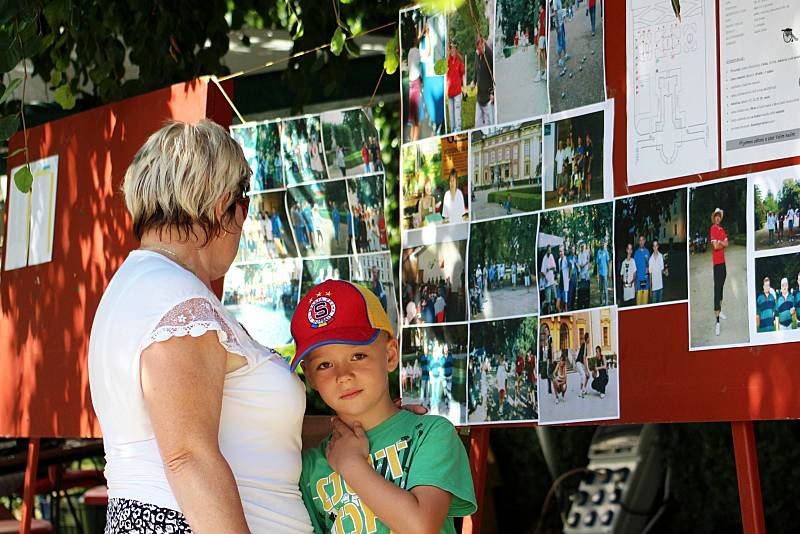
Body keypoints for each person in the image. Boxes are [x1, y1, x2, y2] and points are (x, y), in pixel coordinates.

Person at [89, 120, 327, 533]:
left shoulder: (143, 286)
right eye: (244, 205)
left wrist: (358, 423)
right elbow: (189, 458)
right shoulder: (179, 303)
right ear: (222, 208)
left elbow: (251, 435)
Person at [294, 280, 477, 533]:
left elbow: (421, 527)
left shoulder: (430, 434)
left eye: (358, 356)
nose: (343, 375)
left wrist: (350, 464)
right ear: (310, 377)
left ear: (390, 356)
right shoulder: (310, 466)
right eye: (324, 365)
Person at [710, 208, 729, 336]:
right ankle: (717, 323)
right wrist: (722, 243)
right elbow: (715, 246)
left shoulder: (722, 230)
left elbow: (727, 244)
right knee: (717, 291)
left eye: (719, 216)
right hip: (717, 265)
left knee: (721, 288)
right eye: (716, 216)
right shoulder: (713, 229)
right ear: (714, 218)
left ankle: (720, 311)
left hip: (723, 264)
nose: (717, 218)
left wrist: (721, 242)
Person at [473, 35, 495, 128]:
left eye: (480, 48)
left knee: (489, 124)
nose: (479, 50)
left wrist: (493, 93)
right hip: (479, 97)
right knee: (477, 125)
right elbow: (476, 69)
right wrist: (474, 81)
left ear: (483, 44)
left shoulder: (490, 55)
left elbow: (493, 75)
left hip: (488, 98)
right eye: (477, 48)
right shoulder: (477, 53)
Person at [446, 39, 465, 133]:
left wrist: (464, 89)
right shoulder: (447, 60)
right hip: (450, 93)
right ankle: (453, 130)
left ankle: (458, 130)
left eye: (453, 48)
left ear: (456, 49)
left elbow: (463, 73)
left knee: (457, 114)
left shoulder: (459, 60)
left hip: (457, 92)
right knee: (451, 114)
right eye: (450, 48)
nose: (452, 50)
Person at [407, 29, 422, 142]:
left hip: (411, 82)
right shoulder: (416, 51)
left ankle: (413, 140)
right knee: (416, 119)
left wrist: (421, 35)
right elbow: (418, 64)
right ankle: (415, 141)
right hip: (416, 82)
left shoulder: (410, 51)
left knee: (413, 118)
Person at [633, 235, 650, 305]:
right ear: (638, 242)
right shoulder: (636, 253)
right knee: (638, 304)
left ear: (645, 241)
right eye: (640, 240)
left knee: (645, 303)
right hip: (639, 281)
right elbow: (634, 269)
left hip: (645, 281)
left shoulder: (647, 252)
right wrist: (634, 283)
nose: (641, 242)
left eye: (643, 240)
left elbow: (648, 266)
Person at [648, 239, 666, 304]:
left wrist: (665, 272)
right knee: (654, 305)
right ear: (653, 247)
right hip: (654, 288)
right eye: (654, 246)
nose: (655, 247)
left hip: (660, 286)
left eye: (656, 245)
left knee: (660, 304)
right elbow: (650, 275)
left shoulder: (661, 256)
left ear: (658, 246)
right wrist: (650, 288)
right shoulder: (650, 259)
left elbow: (662, 270)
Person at [575, 333, 590, 398]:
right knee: (583, 375)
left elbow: (585, 359)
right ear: (587, 338)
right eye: (589, 338)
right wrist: (586, 370)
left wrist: (587, 369)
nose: (589, 339)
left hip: (582, 363)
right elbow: (584, 358)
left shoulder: (585, 345)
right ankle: (580, 391)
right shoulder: (584, 345)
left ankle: (584, 388)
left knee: (587, 376)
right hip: (578, 363)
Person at [596, 239, 610, 305]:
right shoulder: (598, 252)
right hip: (600, 273)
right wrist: (597, 274)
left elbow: (608, 262)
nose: (601, 244)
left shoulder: (606, 252)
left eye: (602, 243)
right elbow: (597, 263)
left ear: (604, 244)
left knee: (605, 288)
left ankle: (606, 303)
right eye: (601, 243)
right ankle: (601, 302)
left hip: (605, 273)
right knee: (601, 289)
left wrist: (609, 272)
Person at [536, 3, 547, 82]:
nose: (538, 8)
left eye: (539, 6)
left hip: (542, 36)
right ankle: (545, 72)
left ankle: (539, 73)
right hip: (543, 35)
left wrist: (539, 36)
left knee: (539, 53)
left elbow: (541, 26)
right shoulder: (544, 13)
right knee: (542, 54)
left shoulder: (542, 14)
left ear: (541, 7)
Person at [558, 245, 571, 312]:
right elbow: (560, 271)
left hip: (565, 283)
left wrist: (569, 277)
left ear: (563, 251)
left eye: (561, 251)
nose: (560, 253)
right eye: (559, 251)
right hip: (560, 284)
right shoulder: (559, 260)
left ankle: (565, 312)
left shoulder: (566, 259)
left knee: (565, 302)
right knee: (559, 304)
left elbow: (571, 267)